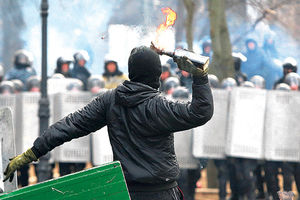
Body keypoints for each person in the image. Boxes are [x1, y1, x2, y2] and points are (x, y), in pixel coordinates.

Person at [4, 46, 213, 200]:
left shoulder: (110, 100)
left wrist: (31, 154)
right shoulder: (160, 106)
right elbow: (201, 112)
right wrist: (200, 77)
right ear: (156, 74)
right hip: (162, 193)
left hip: (123, 192)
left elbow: (69, 126)